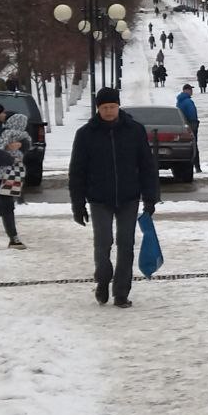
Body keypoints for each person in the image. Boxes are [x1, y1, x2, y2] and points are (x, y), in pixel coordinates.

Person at [69, 87, 159, 307]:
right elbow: (77, 171)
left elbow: (147, 166)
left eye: (113, 107)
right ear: (98, 109)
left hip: (129, 197)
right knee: (103, 243)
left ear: (119, 106)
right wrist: (78, 205)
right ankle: (102, 279)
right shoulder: (85, 134)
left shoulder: (134, 130)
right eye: (104, 108)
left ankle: (121, 293)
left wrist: (150, 198)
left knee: (126, 244)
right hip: (99, 198)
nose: (109, 111)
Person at [0, 112, 30, 248]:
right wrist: (11, 158)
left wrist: (21, 144)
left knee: (0, 205)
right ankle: (13, 238)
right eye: (1, 112)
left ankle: (12, 238)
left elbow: (26, 143)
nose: (4, 114)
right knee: (6, 205)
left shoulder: (1, 129)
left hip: (9, 173)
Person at [177, 83, 200, 171]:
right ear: (186, 90)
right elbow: (192, 114)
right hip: (191, 124)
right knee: (194, 145)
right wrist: (195, 123)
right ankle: (197, 167)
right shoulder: (188, 101)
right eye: (190, 90)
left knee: (188, 145)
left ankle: (189, 165)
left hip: (184, 125)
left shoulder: (179, 101)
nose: (192, 91)